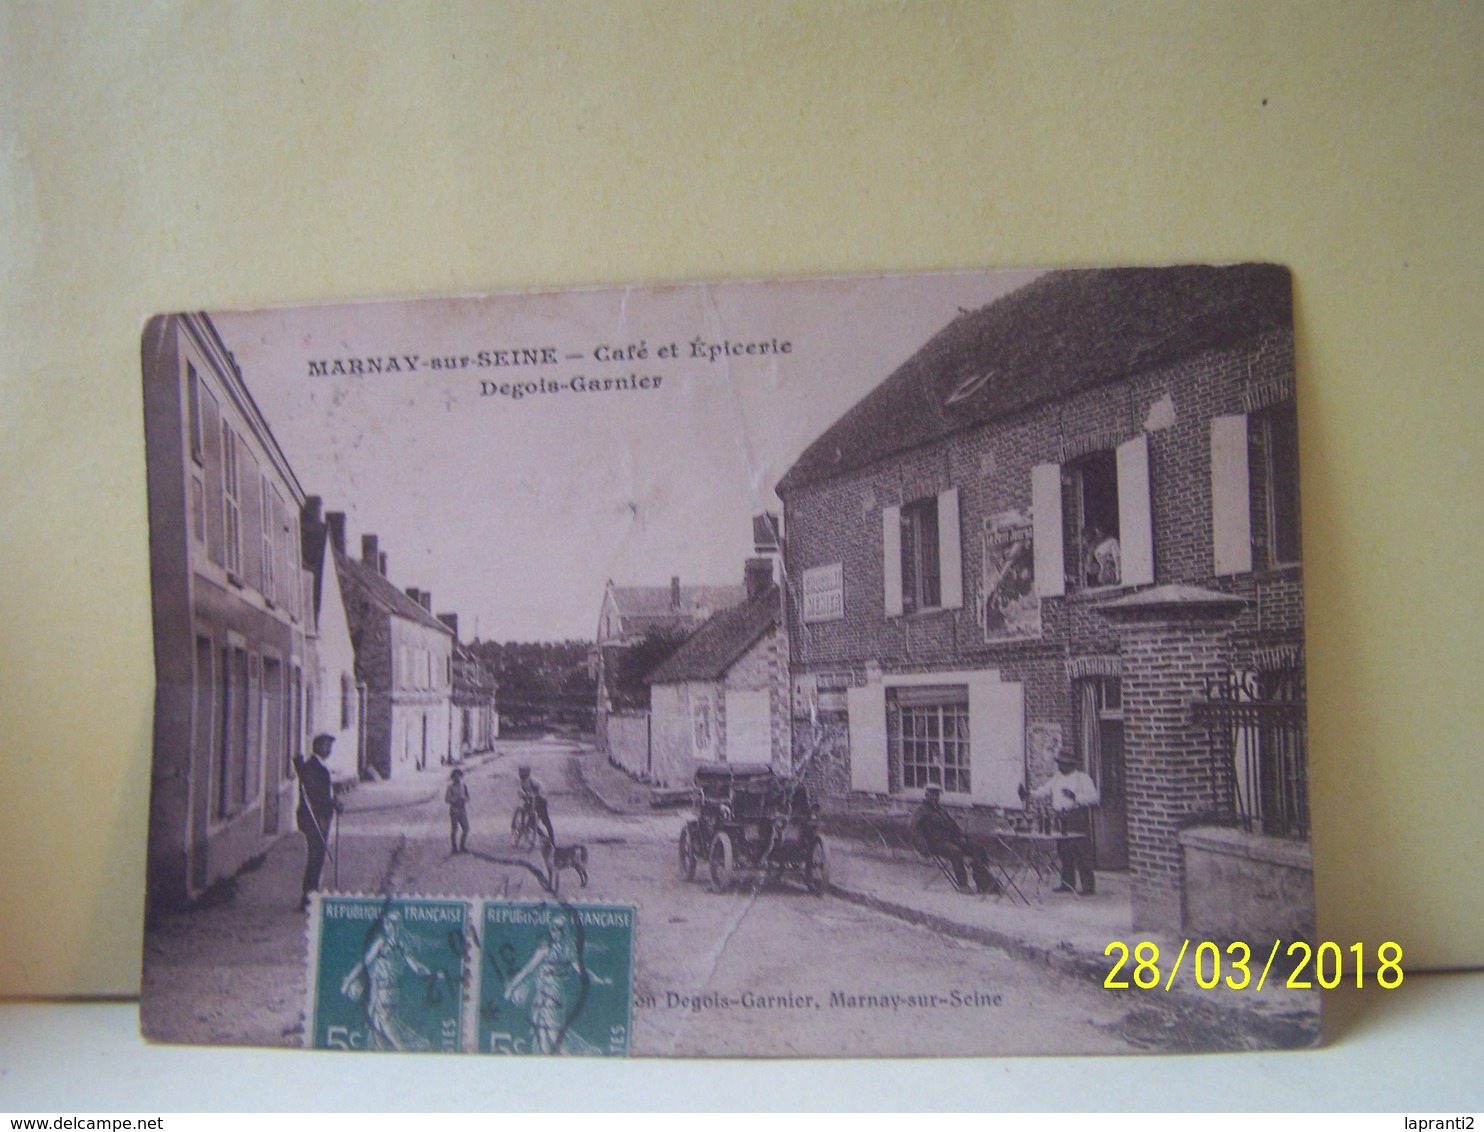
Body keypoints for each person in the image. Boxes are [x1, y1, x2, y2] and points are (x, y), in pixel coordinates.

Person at [503, 911, 611, 1054]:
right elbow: (527, 969)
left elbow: (582, 972)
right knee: (540, 1033)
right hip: (540, 992)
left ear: (564, 930)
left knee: (553, 1034)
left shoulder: (566, 951)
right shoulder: (546, 949)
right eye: (552, 928)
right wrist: (511, 987)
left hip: (554, 993)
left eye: (557, 928)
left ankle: (573, 1060)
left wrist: (598, 980)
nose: (553, 932)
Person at [339, 908, 433, 1051]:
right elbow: (365, 962)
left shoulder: (390, 944)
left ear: (395, 926)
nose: (386, 926)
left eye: (389, 924)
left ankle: (407, 1055)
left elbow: (414, 965)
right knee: (377, 1029)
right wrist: (348, 981)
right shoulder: (396, 944)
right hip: (386, 991)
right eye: (386, 923)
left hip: (385, 993)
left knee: (388, 1029)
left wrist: (427, 972)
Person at [1024, 745, 1101, 895]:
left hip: (1076, 816)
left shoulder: (1083, 778)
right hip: (1060, 817)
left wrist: (1075, 796)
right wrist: (1028, 794)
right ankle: (1067, 882)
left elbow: (1094, 798)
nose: (1060, 766)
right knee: (1064, 851)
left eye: (1063, 764)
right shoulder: (1057, 778)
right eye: (1059, 763)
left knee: (1081, 851)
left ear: (1071, 764)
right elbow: (1044, 791)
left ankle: (1088, 886)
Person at [911, 785, 1000, 895]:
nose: (935, 798)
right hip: (935, 843)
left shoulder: (941, 810)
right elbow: (914, 829)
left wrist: (961, 836)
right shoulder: (921, 811)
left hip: (951, 840)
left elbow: (954, 825)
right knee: (956, 852)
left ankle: (984, 883)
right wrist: (923, 848)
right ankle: (963, 885)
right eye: (933, 795)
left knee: (978, 848)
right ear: (926, 795)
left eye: (937, 795)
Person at [294, 733, 343, 910]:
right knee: (315, 857)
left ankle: (311, 894)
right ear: (320, 747)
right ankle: (308, 897)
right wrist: (333, 803)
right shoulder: (312, 767)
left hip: (320, 817)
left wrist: (333, 799)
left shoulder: (316, 766)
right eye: (328, 746)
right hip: (314, 818)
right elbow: (315, 793)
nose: (329, 750)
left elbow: (323, 791)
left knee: (318, 857)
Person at [445, 768, 471, 854]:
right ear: (452, 778)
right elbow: (447, 799)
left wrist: (464, 799)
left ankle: (462, 846)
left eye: (459, 776)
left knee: (466, 828)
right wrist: (455, 800)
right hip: (454, 809)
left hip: (462, 809)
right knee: (454, 829)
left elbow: (468, 797)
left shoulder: (464, 786)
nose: (457, 778)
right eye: (455, 777)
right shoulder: (450, 788)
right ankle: (454, 848)